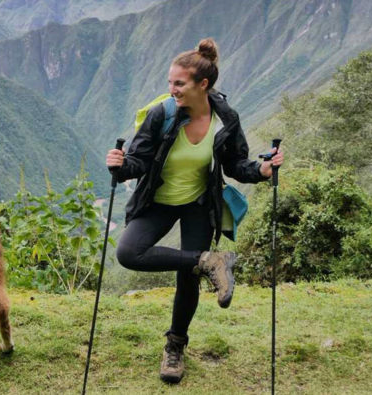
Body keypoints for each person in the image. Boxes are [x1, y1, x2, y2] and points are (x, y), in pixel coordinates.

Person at [106, 38, 284, 384]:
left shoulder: (225, 119)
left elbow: (235, 164)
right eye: (170, 82)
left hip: (199, 204)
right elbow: (139, 161)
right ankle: (210, 260)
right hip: (156, 200)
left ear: (203, 85)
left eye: (178, 83)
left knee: (186, 278)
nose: (170, 89)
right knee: (129, 252)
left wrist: (261, 172)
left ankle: (175, 347)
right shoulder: (162, 114)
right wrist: (119, 164)